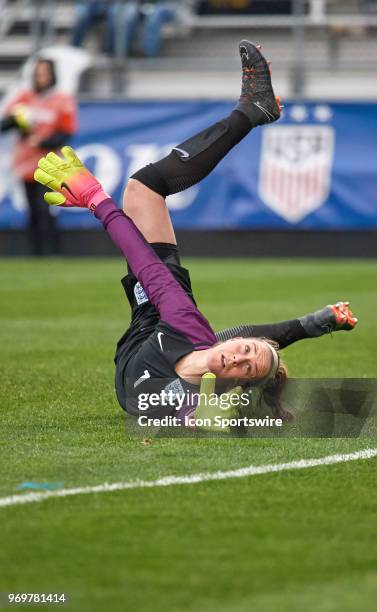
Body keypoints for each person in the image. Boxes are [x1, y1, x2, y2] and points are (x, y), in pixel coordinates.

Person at [34, 41, 357, 424]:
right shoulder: (189, 326)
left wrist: (200, 410)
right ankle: (251, 111)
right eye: (244, 351)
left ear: (236, 387)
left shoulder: (193, 399)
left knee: (142, 190)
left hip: (152, 327)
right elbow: (146, 265)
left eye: (245, 368)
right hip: (159, 308)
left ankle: (252, 111)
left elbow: (160, 409)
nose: (237, 357)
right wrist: (97, 201)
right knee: (143, 188)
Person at [0, 58, 77, 255]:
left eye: (45, 73)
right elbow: (5, 124)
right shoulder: (25, 98)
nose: (41, 78)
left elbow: (66, 133)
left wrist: (42, 143)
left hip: (49, 163)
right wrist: (18, 121)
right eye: (38, 73)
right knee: (33, 210)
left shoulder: (61, 99)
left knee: (45, 208)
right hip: (25, 163)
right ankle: (36, 253)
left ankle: (52, 251)